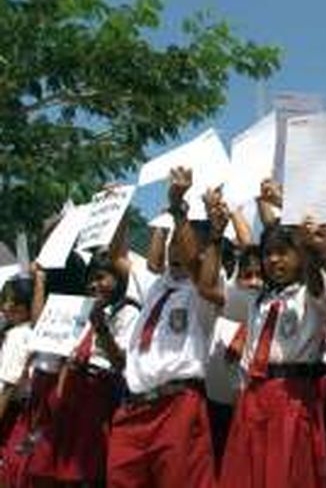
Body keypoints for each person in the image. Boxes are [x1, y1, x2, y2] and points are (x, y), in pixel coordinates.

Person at [106, 168, 227, 488]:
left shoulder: (203, 293)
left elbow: (201, 273)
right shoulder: (155, 285)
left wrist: (178, 207)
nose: (175, 249)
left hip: (176, 407)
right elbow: (118, 256)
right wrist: (115, 209)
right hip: (132, 408)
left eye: (184, 243)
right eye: (173, 241)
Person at [219, 222, 326, 488]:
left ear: (299, 255)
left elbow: (319, 289)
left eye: (283, 252)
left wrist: (311, 251)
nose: (273, 259)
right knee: (248, 472)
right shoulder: (259, 300)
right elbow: (249, 354)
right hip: (255, 393)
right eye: (268, 253)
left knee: (286, 471)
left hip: (292, 393)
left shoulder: (310, 293)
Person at [26, 250, 139, 487]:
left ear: (118, 281)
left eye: (101, 278)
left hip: (96, 393)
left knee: (82, 471)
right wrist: (40, 280)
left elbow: (121, 363)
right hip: (68, 391)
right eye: (90, 279)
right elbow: (41, 329)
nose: (94, 285)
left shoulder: (126, 311)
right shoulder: (79, 308)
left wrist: (102, 328)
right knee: (50, 467)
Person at [0, 275, 36, 487]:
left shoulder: (16, 335)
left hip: (10, 414)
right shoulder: (32, 332)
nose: (4, 306)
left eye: (9, 300)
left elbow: (7, 386)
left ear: (24, 306)